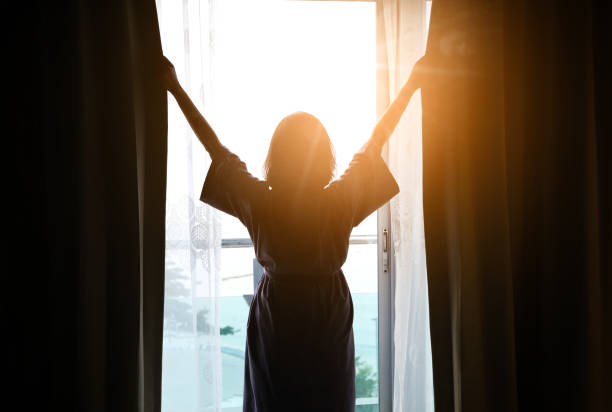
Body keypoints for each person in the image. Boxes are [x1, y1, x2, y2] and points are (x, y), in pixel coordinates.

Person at [161, 55, 425, 412]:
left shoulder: (261, 204)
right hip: (327, 309)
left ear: (277, 157)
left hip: (279, 314)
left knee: (276, 399)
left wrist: (175, 88)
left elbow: (218, 152)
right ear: (322, 157)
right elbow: (374, 143)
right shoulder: (339, 201)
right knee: (328, 398)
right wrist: (409, 86)